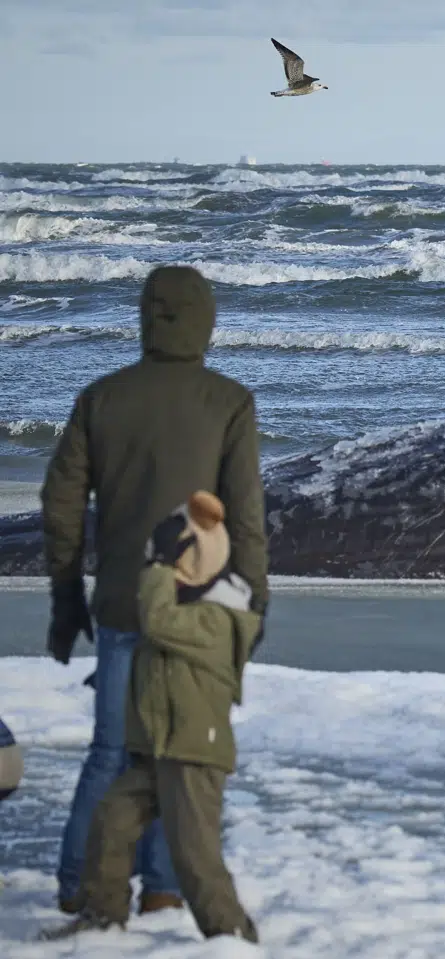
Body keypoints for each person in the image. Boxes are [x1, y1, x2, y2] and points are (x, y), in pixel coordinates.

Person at [41, 265, 269, 914]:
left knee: (111, 750)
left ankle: (80, 887)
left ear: (145, 318)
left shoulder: (101, 398)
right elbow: (245, 516)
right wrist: (253, 604)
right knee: (180, 748)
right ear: (207, 320)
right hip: (197, 615)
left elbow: (61, 504)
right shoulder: (229, 402)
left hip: (119, 602)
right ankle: (166, 893)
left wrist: (66, 596)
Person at [42, 492, 263, 943]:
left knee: (196, 858)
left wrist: (161, 565)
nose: (157, 562)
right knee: (112, 824)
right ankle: (102, 918)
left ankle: (234, 939)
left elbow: (158, 620)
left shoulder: (221, 618)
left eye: (169, 553)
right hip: (156, 748)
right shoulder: (189, 609)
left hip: (193, 752)